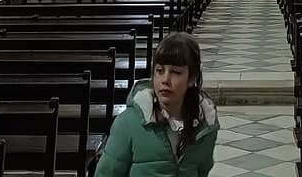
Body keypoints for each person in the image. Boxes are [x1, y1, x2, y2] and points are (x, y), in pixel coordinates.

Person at [94, 32, 219, 177]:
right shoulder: (128, 123)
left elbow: (202, 170)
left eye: (176, 72)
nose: (165, 79)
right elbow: (106, 173)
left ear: (192, 79)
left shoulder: (206, 126)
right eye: (159, 71)